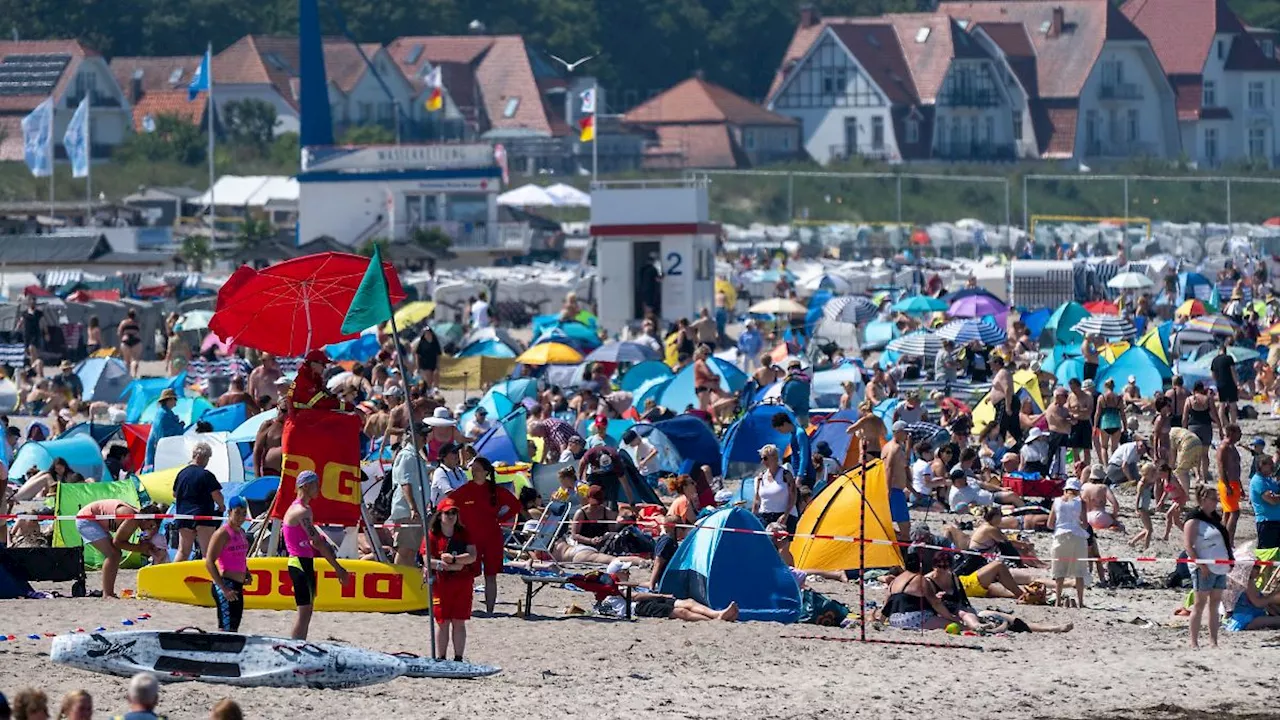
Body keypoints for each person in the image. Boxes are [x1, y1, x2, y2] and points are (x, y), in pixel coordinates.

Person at [282, 470, 351, 639]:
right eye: (315, 485)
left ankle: (299, 645)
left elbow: (314, 541)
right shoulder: (301, 511)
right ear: (305, 486)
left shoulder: (303, 508)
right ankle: (296, 646)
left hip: (304, 562)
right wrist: (338, 568)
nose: (318, 489)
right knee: (304, 613)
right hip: (299, 562)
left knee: (307, 612)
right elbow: (317, 543)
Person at [448, 456, 519, 614]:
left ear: (486, 472)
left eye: (477, 469)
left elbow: (516, 505)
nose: (474, 472)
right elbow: (447, 503)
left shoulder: (495, 490)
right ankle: (466, 607)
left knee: (490, 575)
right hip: (471, 539)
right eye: (472, 469)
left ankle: (490, 611)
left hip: (492, 538)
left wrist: (501, 519)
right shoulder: (465, 489)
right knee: (468, 575)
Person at [75, 500, 166, 598]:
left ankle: (108, 592)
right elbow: (117, 542)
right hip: (86, 519)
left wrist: (143, 544)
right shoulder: (133, 518)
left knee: (115, 553)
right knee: (113, 554)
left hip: (93, 519)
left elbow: (122, 542)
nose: (150, 529)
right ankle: (107, 594)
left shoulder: (137, 517)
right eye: (151, 525)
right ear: (145, 519)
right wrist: (140, 548)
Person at [425, 497, 477, 660]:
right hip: (441, 584)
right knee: (442, 621)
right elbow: (426, 559)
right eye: (448, 513)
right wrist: (444, 564)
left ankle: (458, 657)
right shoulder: (433, 535)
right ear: (440, 515)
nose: (451, 516)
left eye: (454, 512)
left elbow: (472, 556)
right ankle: (441, 657)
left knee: (459, 621)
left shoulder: (464, 533)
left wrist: (454, 560)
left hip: (462, 583)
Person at [1184, 485, 1233, 649]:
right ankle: (1194, 642)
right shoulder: (1193, 519)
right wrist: (1200, 564)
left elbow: (1225, 542)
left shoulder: (1215, 519)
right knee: (1199, 604)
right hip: (1204, 568)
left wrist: (1230, 560)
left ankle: (1213, 641)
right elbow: (1188, 546)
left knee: (1215, 604)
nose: (1216, 502)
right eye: (1213, 499)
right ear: (1203, 499)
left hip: (1220, 567)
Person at [172, 442, 224, 562]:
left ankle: (174, 576)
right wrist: (221, 506)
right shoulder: (206, 475)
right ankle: (209, 578)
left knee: (183, 551)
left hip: (184, 515)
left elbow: (174, 494)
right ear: (203, 457)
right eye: (207, 458)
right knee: (208, 552)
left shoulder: (182, 474)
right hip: (203, 516)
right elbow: (216, 494)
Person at [204, 496, 250, 632]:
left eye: (243, 513)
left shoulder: (241, 532)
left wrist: (246, 572)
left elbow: (240, 556)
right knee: (226, 628)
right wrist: (223, 588)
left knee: (234, 626)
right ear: (229, 512)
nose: (241, 517)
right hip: (226, 584)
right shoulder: (222, 534)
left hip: (237, 585)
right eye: (237, 513)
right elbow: (209, 561)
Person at [388, 432, 430, 566]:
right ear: (412, 435)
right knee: (405, 549)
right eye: (422, 433)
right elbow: (405, 483)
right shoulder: (406, 455)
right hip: (408, 510)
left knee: (411, 550)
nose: (425, 437)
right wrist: (413, 508)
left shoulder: (416, 455)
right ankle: (399, 581)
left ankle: (405, 580)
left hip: (416, 510)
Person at [1048, 479, 1088, 608]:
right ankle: (1081, 602)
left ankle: (1058, 600)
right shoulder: (1081, 502)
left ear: (1065, 489)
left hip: (1060, 536)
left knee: (1059, 571)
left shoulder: (1056, 501)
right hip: (1077, 536)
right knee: (1079, 571)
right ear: (1077, 490)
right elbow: (1085, 524)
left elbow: (1049, 524)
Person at [752, 444, 798, 533]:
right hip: (765, 516)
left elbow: (793, 496)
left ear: (774, 457)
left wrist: (786, 515)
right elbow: (757, 499)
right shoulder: (761, 477)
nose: (763, 461)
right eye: (762, 458)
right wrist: (753, 517)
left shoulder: (786, 475)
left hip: (784, 515)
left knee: (782, 544)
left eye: (765, 458)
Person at [1224, 562, 1280, 632]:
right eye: (1256, 567)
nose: (1258, 570)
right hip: (1247, 619)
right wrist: (1272, 598)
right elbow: (1257, 603)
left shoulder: (1239, 581)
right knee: (1277, 620)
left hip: (1241, 618)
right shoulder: (1248, 582)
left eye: (1259, 567)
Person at [144, 388, 186, 471]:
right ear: (169, 400)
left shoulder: (163, 413)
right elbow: (168, 434)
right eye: (174, 399)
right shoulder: (164, 414)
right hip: (159, 450)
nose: (176, 402)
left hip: (156, 448)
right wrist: (180, 426)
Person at [1217, 423, 1244, 544]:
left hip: (1234, 483)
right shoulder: (1224, 447)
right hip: (1227, 484)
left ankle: (1224, 540)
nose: (1241, 435)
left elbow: (1235, 468)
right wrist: (1227, 486)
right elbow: (1221, 468)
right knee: (1235, 513)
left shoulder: (1232, 447)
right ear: (1232, 433)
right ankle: (1228, 541)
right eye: (1239, 433)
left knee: (1227, 513)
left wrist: (1241, 486)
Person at [1250, 454, 1280, 550]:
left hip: (1276, 521)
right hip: (1267, 522)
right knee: (1266, 554)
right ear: (1262, 465)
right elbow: (1272, 500)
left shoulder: (1269, 480)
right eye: (1270, 464)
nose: (1272, 466)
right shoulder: (1258, 481)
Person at [1082, 464, 1123, 531]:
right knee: (1119, 525)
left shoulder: (1084, 486)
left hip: (1086, 517)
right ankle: (1111, 526)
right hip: (1099, 516)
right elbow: (1115, 504)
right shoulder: (1103, 487)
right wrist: (1113, 516)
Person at [252, 399, 286, 478]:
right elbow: (257, 450)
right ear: (277, 408)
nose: (285, 414)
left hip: (289, 470)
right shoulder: (268, 425)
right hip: (271, 469)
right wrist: (257, 474)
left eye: (289, 411)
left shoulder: (294, 426)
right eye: (283, 410)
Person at [1210, 341, 1240, 428]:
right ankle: (1233, 424)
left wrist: (1217, 382)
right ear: (1225, 350)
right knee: (1232, 405)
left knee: (1222, 405)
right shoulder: (1229, 358)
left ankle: (1224, 424)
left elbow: (1213, 375)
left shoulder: (1214, 360)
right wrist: (1236, 383)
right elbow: (1233, 371)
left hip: (1220, 384)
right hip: (1230, 383)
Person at [1094, 378, 1125, 462]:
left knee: (1104, 447)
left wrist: (1095, 426)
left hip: (1105, 423)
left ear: (1105, 386)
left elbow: (1098, 413)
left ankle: (1106, 466)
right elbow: (1122, 413)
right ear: (1114, 386)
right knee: (1114, 448)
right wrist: (1125, 426)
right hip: (1116, 423)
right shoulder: (1118, 398)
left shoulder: (1101, 397)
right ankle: (1113, 464)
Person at [118, 309, 143, 377]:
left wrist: (121, 339)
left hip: (125, 341)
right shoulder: (137, 323)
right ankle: (134, 375)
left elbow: (119, 332)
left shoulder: (123, 323)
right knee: (135, 359)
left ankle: (127, 376)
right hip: (136, 341)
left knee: (126, 361)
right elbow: (138, 331)